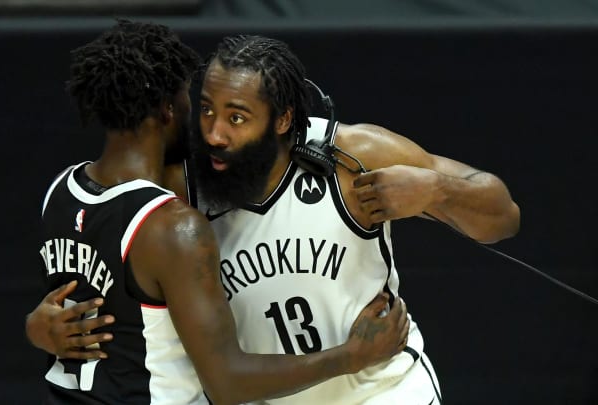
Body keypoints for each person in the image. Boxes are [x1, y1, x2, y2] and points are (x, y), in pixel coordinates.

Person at [28, 32, 520, 404]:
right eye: (205, 111)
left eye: (237, 117)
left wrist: (438, 190)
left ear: (283, 119)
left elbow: (503, 217)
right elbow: (100, 260)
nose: (215, 133)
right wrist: (40, 326)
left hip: (378, 393)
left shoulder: (354, 156)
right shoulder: (179, 189)